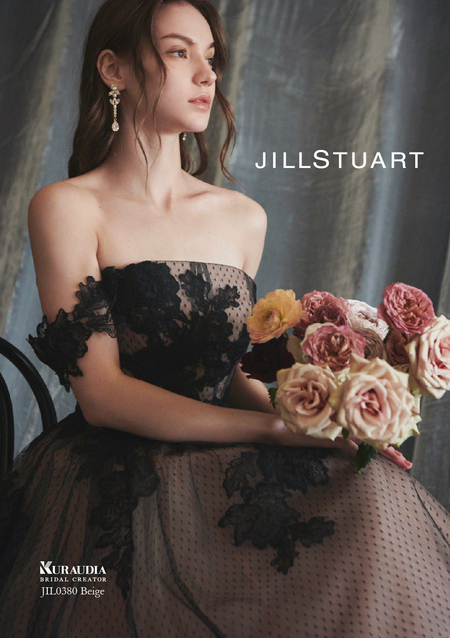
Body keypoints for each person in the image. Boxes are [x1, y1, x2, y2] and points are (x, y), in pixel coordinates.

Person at [0, 0, 449, 636]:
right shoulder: (67, 207)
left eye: (211, 57)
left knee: (369, 496)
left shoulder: (242, 218)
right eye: (178, 52)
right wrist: (269, 430)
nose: (207, 74)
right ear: (114, 69)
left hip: (219, 468)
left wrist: (322, 421)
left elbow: (227, 372)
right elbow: (101, 396)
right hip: (108, 476)